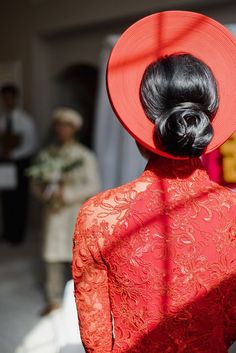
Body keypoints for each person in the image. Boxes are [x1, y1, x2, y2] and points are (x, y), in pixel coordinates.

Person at [72, 11, 236, 353]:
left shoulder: (100, 217)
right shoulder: (233, 211)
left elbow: (96, 340)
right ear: (209, 124)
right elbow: (230, 322)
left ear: (140, 128)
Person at [30, 107, 101, 316]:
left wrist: (66, 193)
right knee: (51, 255)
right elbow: (35, 182)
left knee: (75, 256)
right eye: (59, 125)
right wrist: (45, 193)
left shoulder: (84, 156)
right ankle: (53, 299)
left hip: (73, 214)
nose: (62, 130)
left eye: (67, 126)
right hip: (53, 214)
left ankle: (78, 302)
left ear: (74, 129)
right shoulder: (46, 155)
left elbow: (94, 185)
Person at [0, 84, 38, 245]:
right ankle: (8, 232)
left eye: (10, 98)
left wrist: (13, 154)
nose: (7, 101)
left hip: (20, 163)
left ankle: (18, 234)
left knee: (19, 199)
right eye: (4, 98)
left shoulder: (25, 120)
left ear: (15, 98)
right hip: (4, 163)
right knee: (6, 197)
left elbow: (32, 144)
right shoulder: (1, 120)